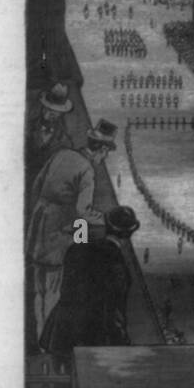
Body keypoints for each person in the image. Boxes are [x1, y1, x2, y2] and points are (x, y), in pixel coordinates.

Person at [25, 120, 117, 340]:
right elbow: (82, 212)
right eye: (105, 154)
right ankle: (47, 341)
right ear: (101, 149)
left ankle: (39, 337)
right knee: (54, 291)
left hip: (39, 227)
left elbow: (37, 185)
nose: (104, 159)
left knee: (38, 290)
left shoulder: (63, 154)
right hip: (58, 236)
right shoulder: (87, 171)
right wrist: (103, 220)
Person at [40, 206, 137, 356]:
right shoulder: (117, 265)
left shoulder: (76, 249)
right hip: (92, 339)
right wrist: (123, 342)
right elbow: (115, 311)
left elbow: (66, 291)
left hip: (59, 335)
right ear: (128, 235)